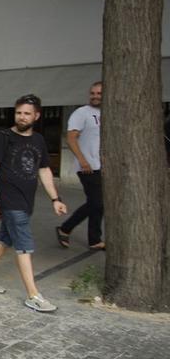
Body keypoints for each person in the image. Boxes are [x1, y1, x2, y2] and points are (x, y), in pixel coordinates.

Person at [0, 94, 67, 313]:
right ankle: (33, 295)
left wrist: (56, 198)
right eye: (18, 113)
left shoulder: (39, 140)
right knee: (24, 246)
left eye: (26, 114)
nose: (22, 117)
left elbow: (44, 170)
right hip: (9, 200)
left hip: (26, 201)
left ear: (36, 116)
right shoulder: (3, 137)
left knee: (4, 238)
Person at [56, 82, 104, 250]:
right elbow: (71, 137)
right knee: (97, 202)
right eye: (92, 93)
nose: (95, 96)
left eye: (99, 93)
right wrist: (83, 160)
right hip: (87, 166)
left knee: (98, 203)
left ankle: (95, 240)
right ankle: (65, 228)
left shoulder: (107, 112)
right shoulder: (81, 113)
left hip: (102, 165)